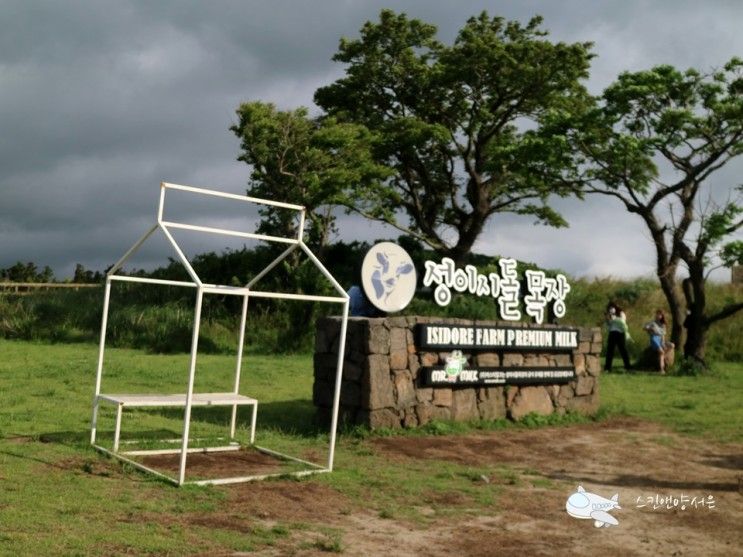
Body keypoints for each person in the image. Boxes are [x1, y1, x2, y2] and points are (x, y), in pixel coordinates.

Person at [604, 301, 631, 372]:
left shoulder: (621, 313)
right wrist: (608, 319)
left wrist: (614, 318)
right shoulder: (609, 315)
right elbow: (609, 325)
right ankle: (607, 367)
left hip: (620, 333)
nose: (611, 309)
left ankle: (628, 366)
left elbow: (623, 322)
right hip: (612, 333)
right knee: (610, 351)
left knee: (623, 350)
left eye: (612, 307)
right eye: (610, 308)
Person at [644, 309, 667, 374]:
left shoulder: (663, 324)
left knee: (670, 346)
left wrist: (663, 342)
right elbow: (645, 328)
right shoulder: (652, 323)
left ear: (662, 316)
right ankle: (662, 369)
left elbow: (663, 335)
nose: (658, 315)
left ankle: (662, 368)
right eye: (657, 314)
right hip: (654, 338)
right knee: (661, 352)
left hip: (660, 339)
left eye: (660, 314)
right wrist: (650, 329)